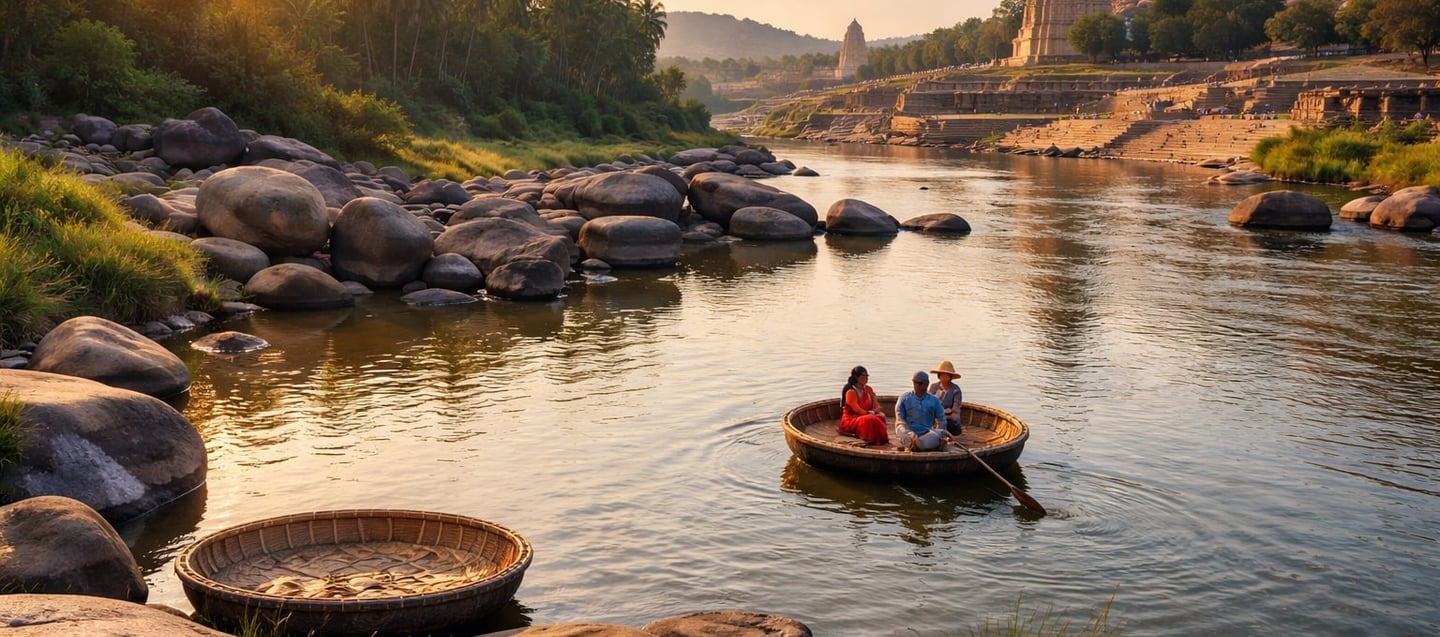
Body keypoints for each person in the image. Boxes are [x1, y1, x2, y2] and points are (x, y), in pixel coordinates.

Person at [895, 371, 946, 452]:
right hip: (909, 432)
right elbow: (900, 419)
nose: (917, 385)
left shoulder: (934, 400)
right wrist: (909, 433)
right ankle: (911, 444)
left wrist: (941, 432)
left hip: (927, 432)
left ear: (926, 384)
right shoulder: (904, 398)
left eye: (920, 383)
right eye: (915, 383)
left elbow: (942, 419)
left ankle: (917, 445)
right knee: (900, 429)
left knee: (938, 434)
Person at [839, 366, 888, 446]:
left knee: (881, 416)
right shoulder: (851, 391)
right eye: (863, 376)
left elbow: (876, 406)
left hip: (867, 414)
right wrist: (869, 413)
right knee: (871, 419)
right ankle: (871, 439)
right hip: (852, 418)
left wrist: (874, 410)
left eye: (867, 376)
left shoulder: (868, 389)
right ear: (856, 377)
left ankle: (880, 440)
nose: (866, 378)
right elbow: (857, 409)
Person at [928, 360, 963, 436]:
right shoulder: (933, 387)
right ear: (938, 376)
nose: (943, 377)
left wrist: (943, 417)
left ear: (950, 377)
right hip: (934, 417)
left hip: (949, 419)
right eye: (941, 375)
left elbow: (956, 411)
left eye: (946, 375)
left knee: (950, 425)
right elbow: (928, 404)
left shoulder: (956, 390)